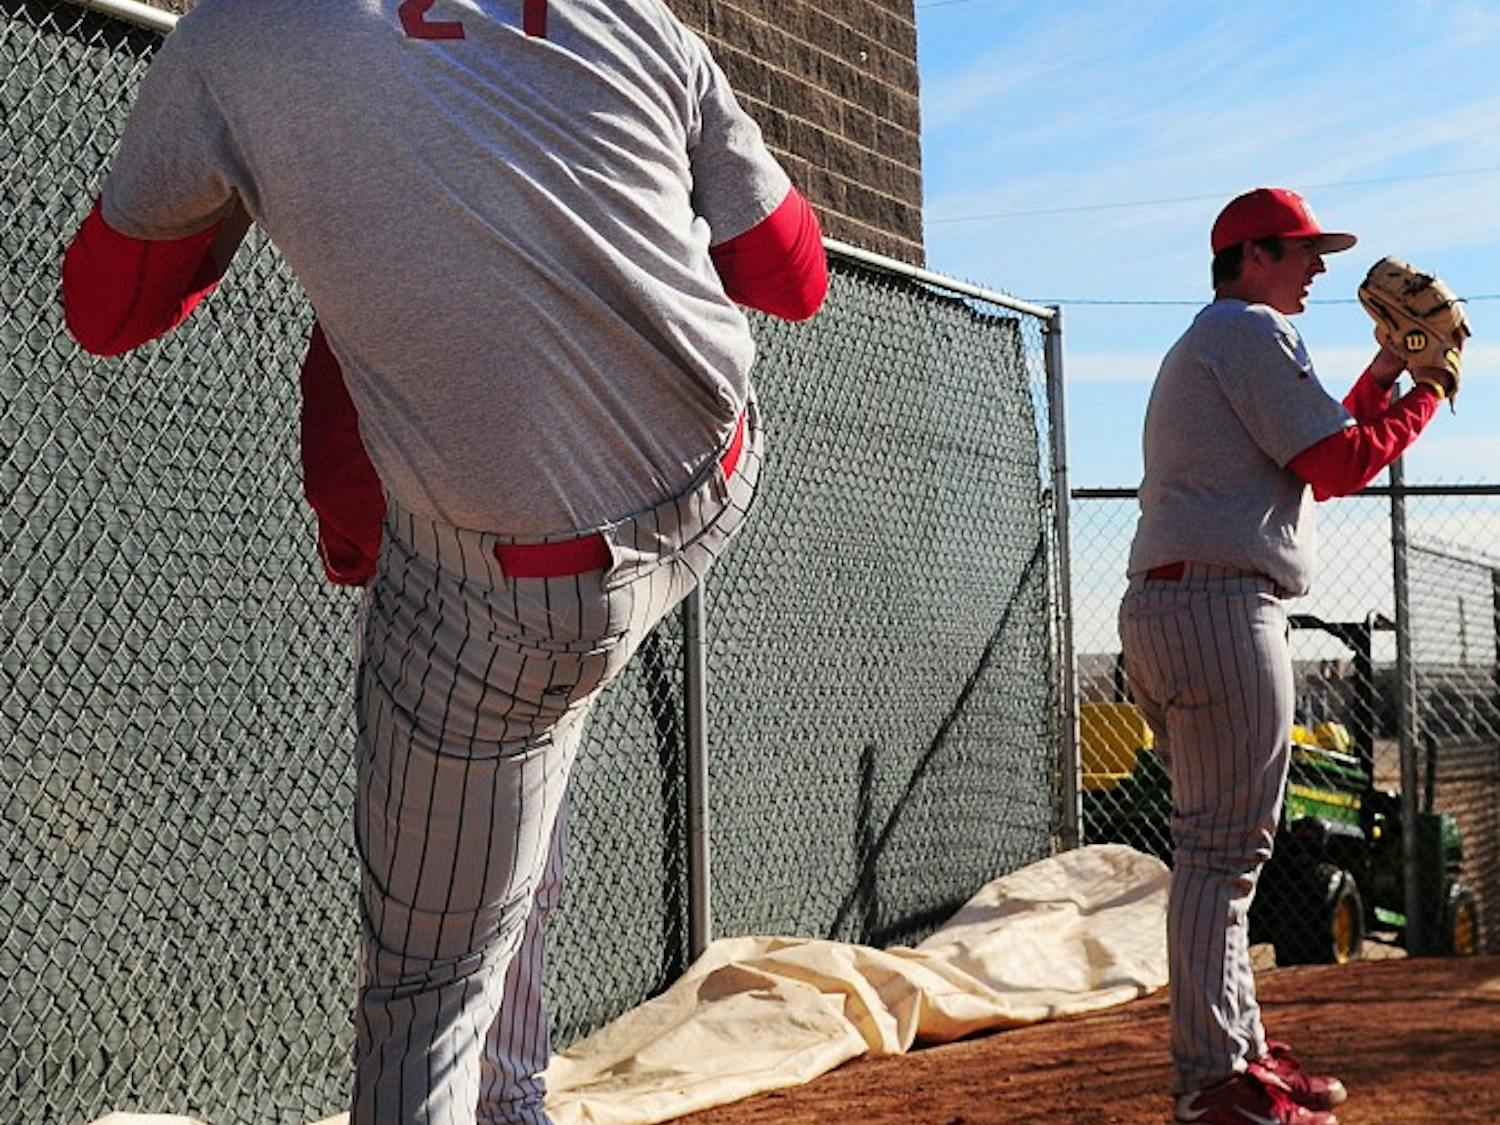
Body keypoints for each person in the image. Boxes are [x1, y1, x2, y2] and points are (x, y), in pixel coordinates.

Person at [60, 2, 829, 1122]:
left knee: (427, 980)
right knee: (521, 780)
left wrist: (229, 207)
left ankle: (495, 1088)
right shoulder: (641, 16)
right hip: (710, 479)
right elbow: (790, 280)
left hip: (505, 568)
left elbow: (102, 308)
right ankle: (513, 1096)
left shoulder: (238, 32)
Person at [1118, 187, 1455, 1125]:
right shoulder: (1248, 333)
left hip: (1184, 601)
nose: (1320, 267)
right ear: (1250, 254)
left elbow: (1317, 451)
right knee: (1220, 860)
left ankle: (1239, 1055)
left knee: (1217, 856)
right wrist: (1427, 394)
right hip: (1220, 607)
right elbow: (1343, 463)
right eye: (1303, 251)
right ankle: (1212, 1078)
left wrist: (1387, 372)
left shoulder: (1222, 339)